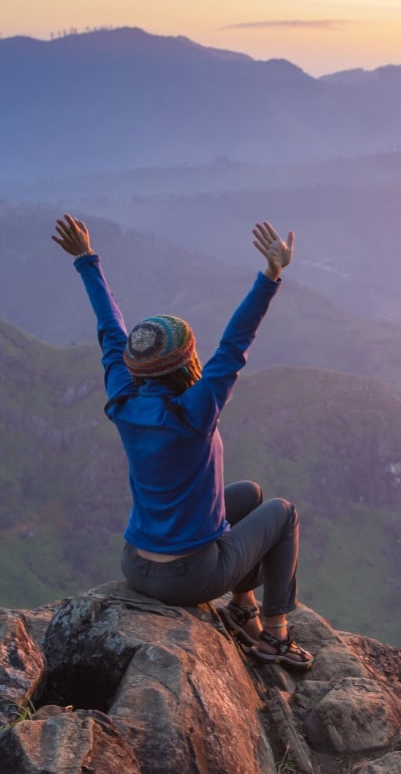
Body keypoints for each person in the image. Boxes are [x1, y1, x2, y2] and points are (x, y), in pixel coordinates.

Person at [52, 213, 313, 670]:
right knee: (283, 513)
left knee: (249, 494)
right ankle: (276, 636)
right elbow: (235, 342)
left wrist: (86, 259)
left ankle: (242, 605)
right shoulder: (195, 412)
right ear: (187, 362)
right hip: (189, 577)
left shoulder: (123, 400)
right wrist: (271, 275)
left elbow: (110, 333)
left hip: (136, 564)